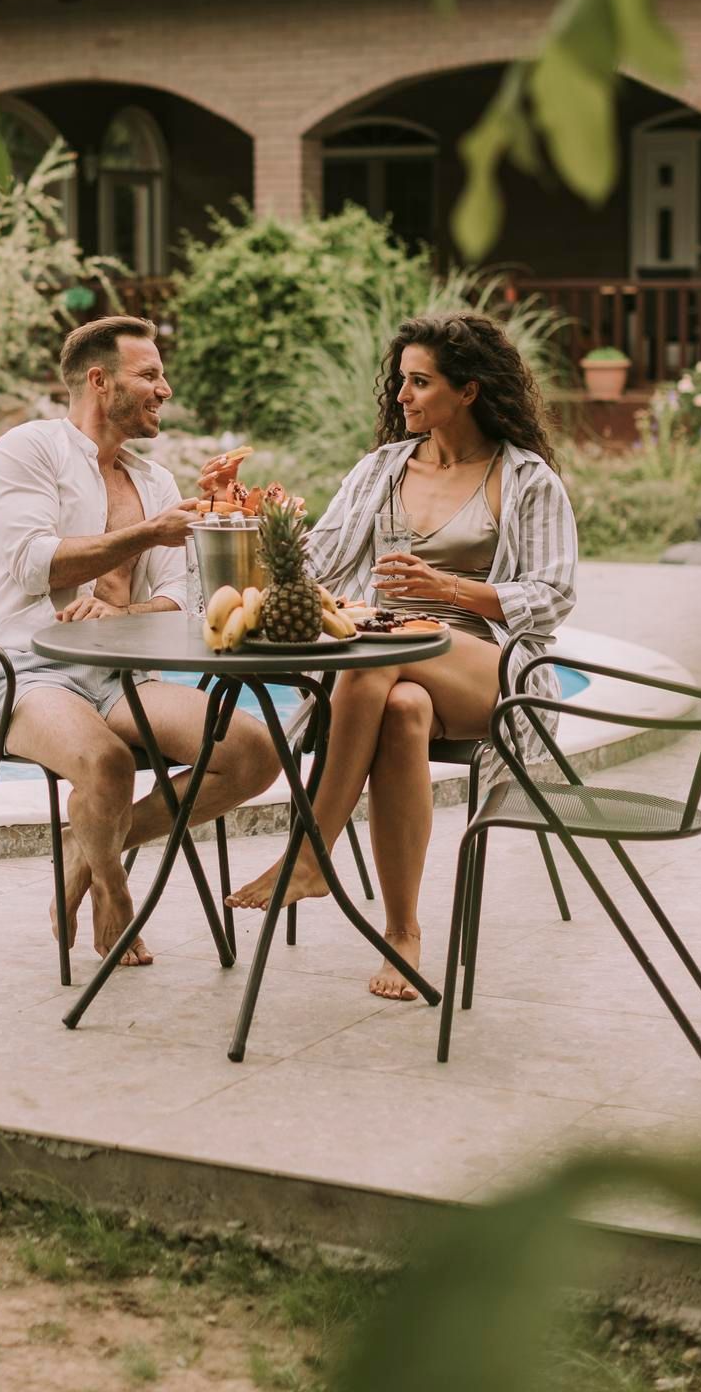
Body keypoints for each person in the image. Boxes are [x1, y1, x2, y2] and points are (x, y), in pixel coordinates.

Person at [227, 312, 578, 1001]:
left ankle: (310, 854)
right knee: (401, 708)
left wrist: (452, 590)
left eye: (418, 383)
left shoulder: (525, 479)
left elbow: (553, 593)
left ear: (468, 390)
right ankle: (402, 933)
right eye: (400, 383)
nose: (401, 397)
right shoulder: (381, 470)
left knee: (380, 651)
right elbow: (316, 563)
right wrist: (248, 517)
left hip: (485, 665)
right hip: (387, 659)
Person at [0, 315, 280, 967]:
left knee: (252, 751)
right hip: (24, 669)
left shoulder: (154, 483)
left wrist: (125, 610)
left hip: (120, 676)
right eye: (150, 374)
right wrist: (144, 535)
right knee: (103, 763)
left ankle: (87, 855)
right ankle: (111, 889)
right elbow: (32, 564)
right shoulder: (29, 449)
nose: (164, 390)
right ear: (100, 382)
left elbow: (178, 598)